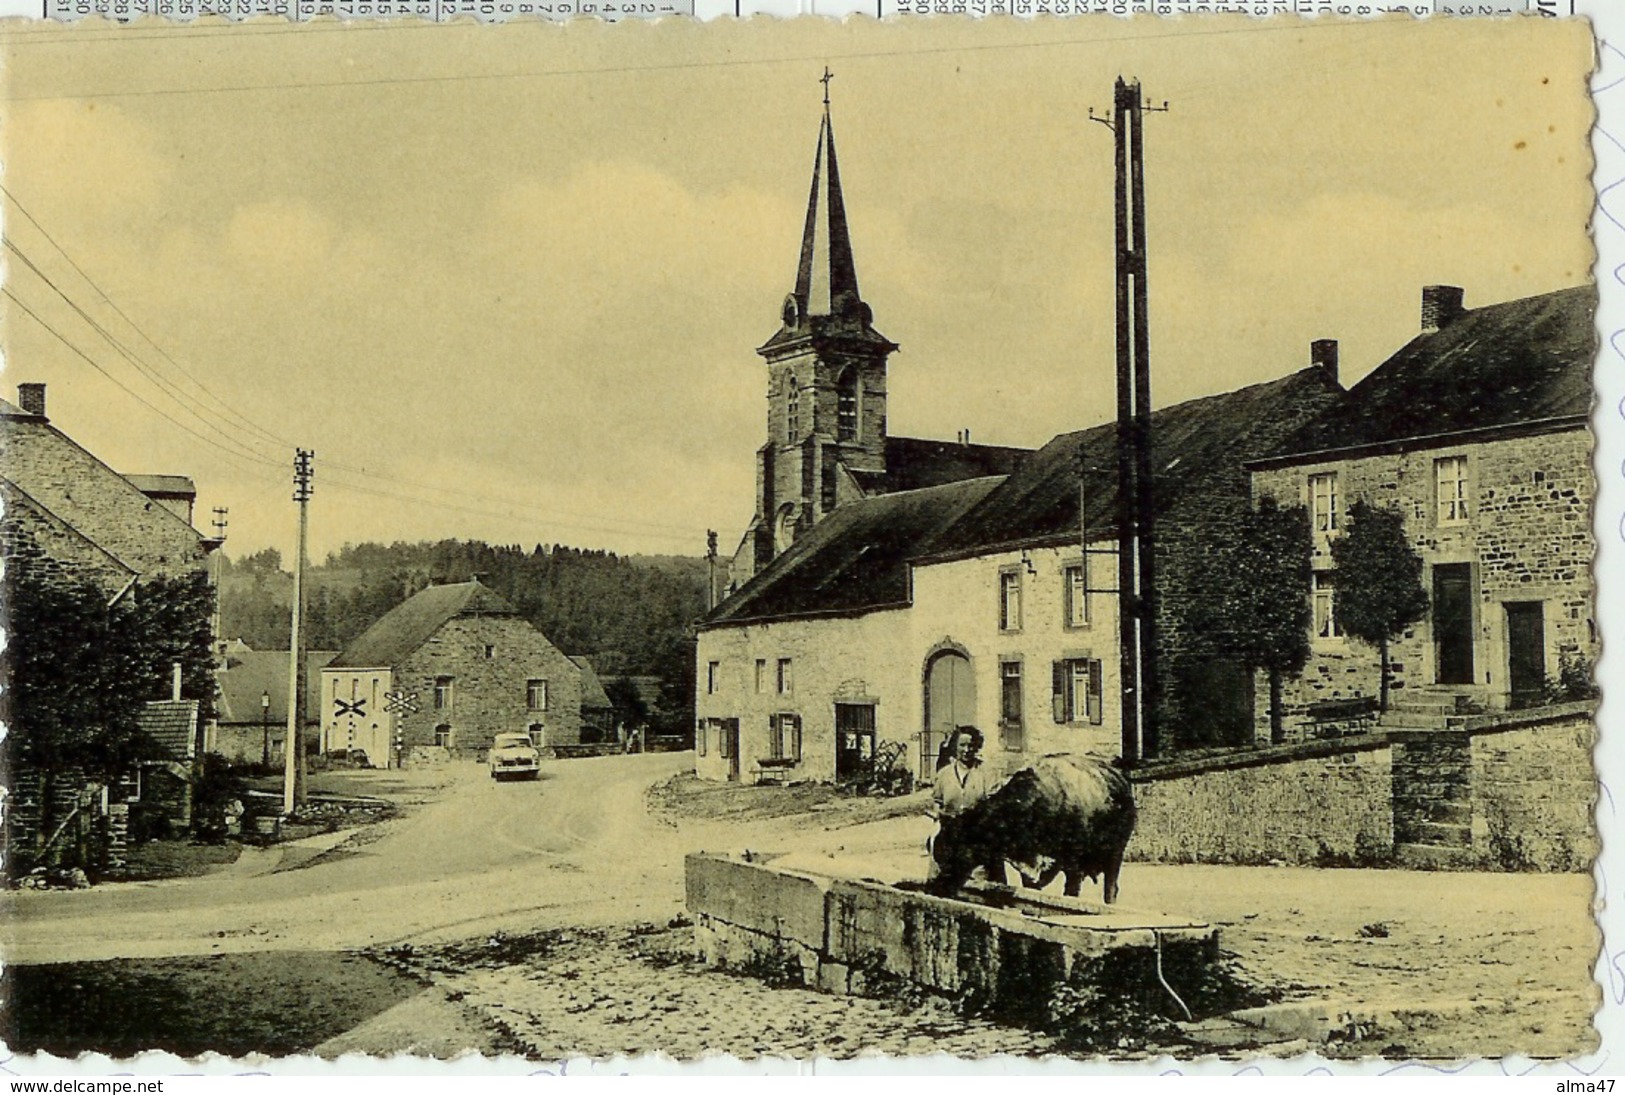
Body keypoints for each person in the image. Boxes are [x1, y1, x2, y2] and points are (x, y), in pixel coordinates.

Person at [927, 725, 1002, 883]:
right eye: (962, 745)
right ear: (955, 747)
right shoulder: (944, 774)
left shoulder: (988, 773)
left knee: (979, 881)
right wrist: (939, 817)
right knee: (939, 875)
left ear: (977, 746)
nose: (967, 750)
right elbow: (937, 802)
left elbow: (994, 806)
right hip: (949, 834)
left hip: (977, 834)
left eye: (971, 745)